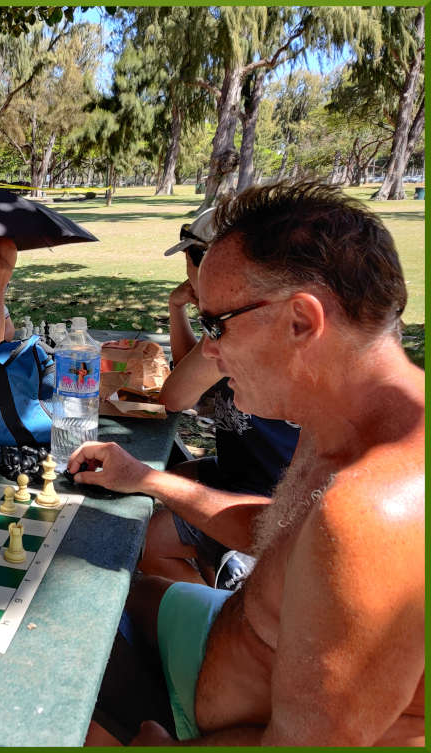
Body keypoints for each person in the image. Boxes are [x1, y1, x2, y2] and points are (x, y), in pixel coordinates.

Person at [73, 180, 424, 745]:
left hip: (212, 726)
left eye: (216, 324)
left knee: (32, 680)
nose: (206, 351)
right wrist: (145, 478)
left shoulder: (373, 514)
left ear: (302, 321)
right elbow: (278, 535)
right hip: (225, 627)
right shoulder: (335, 417)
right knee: (107, 593)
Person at [143, 207, 299, 588]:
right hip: (243, 469)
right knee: (167, 481)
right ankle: (213, 571)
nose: (185, 270)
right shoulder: (238, 324)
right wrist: (179, 308)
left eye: (188, 258)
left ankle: (213, 610)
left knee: (145, 547)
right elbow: (192, 374)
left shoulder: (243, 328)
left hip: (270, 495)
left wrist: (214, 325)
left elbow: (176, 396)